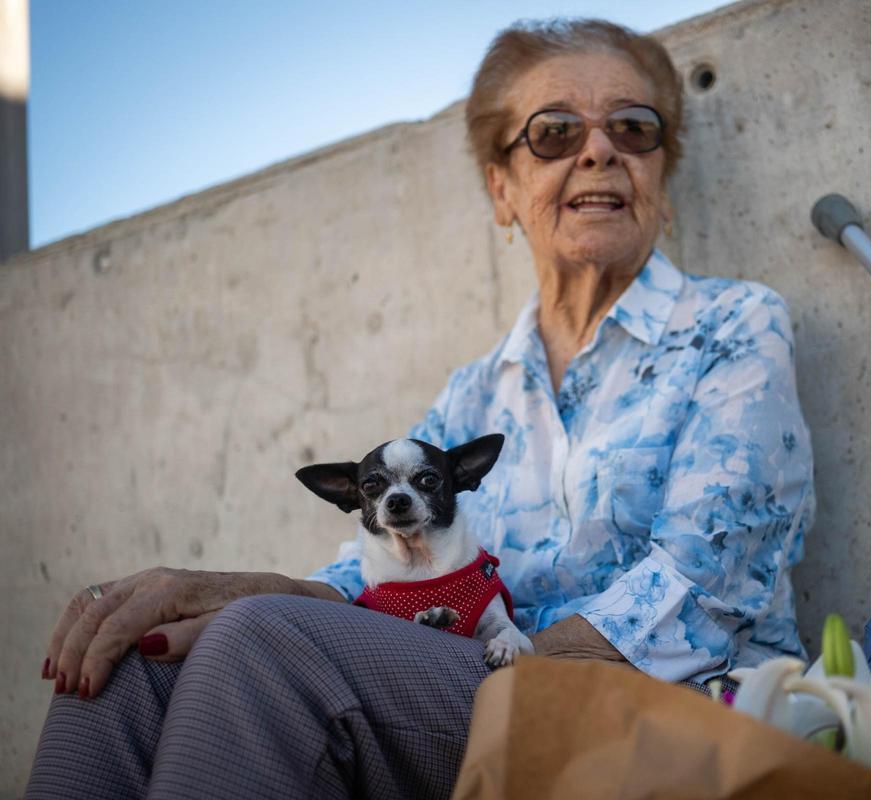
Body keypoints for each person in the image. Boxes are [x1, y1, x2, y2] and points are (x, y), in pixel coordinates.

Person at [27, 18, 815, 799]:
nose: (600, 149)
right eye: (553, 132)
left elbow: (707, 585)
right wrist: (260, 589)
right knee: (133, 664)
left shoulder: (731, 326)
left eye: (634, 129)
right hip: (480, 687)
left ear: (661, 181)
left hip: (662, 713)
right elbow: (382, 554)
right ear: (501, 190)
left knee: (261, 644)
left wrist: (507, 652)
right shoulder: (476, 390)